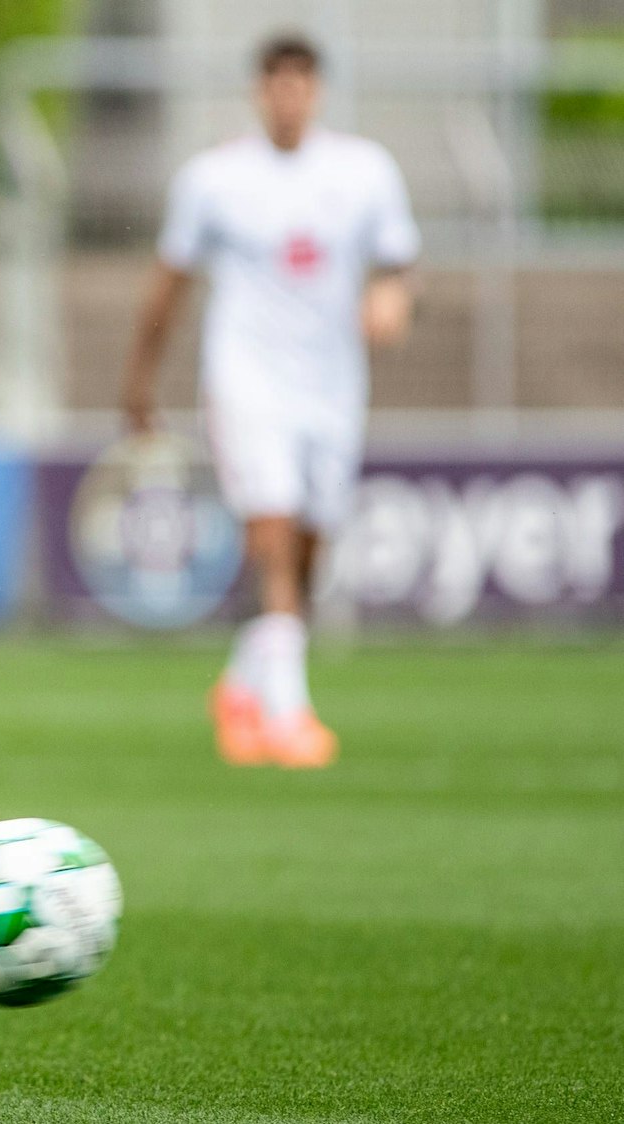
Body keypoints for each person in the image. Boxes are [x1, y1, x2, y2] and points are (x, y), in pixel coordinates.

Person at [120, 32, 417, 769]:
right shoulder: (214, 179)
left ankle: (244, 683)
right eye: (275, 85)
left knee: (312, 543)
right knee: (273, 529)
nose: (287, 98)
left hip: (333, 385)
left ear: (315, 92)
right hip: (246, 379)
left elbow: (398, 264)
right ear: (258, 91)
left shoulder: (364, 171)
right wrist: (139, 376)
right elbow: (169, 282)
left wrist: (392, 299)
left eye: (300, 85)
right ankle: (288, 717)